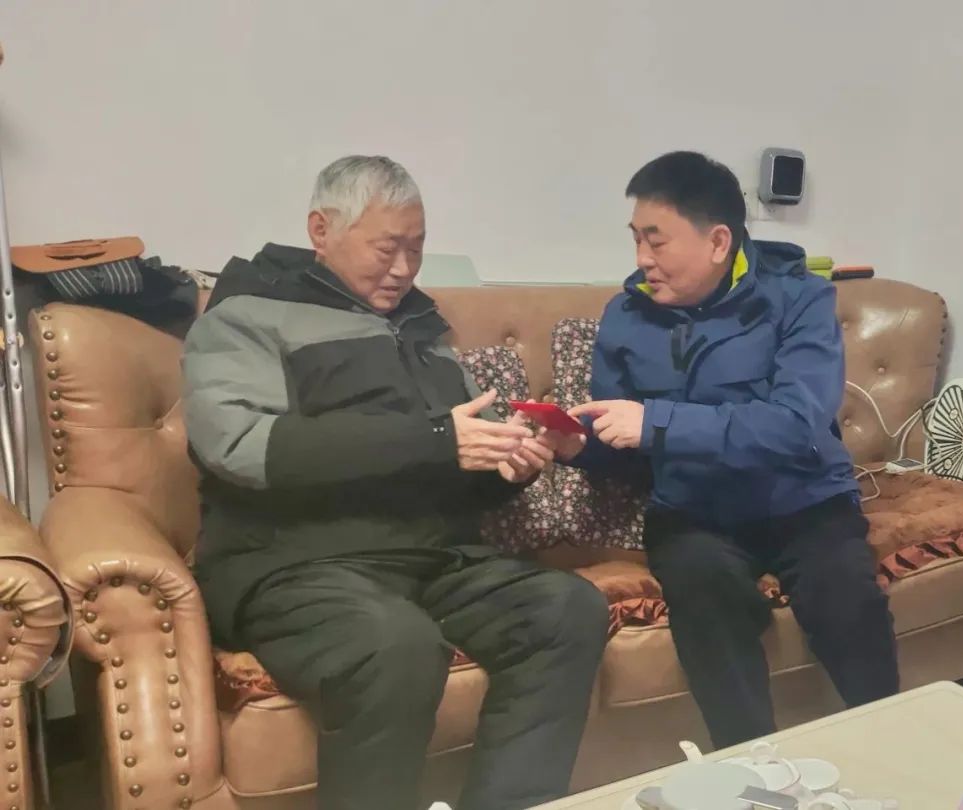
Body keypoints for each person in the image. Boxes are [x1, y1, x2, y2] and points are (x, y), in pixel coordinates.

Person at [181, 155, 609, 810]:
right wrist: (436, 438)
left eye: (417, 247)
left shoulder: (420, 326)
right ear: (321, 230)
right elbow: (237, 446)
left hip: (430, 557)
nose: (405, 268)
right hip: (297, 563)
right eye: (387, 249)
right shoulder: (245, 316)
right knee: (393, 645)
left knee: (566, 609)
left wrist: (507, 466)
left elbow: (451, 463)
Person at [550, 151, 899, 749]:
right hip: (694, 512)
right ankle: (750, 765)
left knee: (845, 594)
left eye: (656, 240)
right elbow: (626, 446)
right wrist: (576, 445)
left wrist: (657, 423)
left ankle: (892, 744)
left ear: (717, 242)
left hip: (804, 501)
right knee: (702, 592)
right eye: (635, 238)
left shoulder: (800, 299)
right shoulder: (626, 316)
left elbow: (796, 426)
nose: (641, 258)